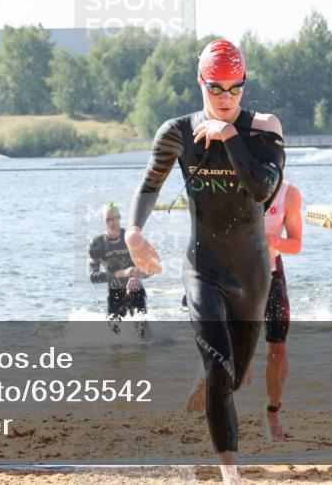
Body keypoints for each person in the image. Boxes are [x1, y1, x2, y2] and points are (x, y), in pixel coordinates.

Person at [126, 39, 285, 485]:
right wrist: (133, 231)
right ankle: (231, 473)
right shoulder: (177, 132)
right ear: (201, 83)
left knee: (233, 378)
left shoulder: (263, 128)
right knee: (220, 367)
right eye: (216, 88)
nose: (226, 97)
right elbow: (150, 184)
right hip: (203, 267)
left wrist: (228, 136)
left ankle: (208, 373)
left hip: (252, 273)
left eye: (235, 88)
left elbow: (263, 189)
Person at [261, 178, 302, 442]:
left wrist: (274, 240)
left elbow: (296, 243)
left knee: (278, 349)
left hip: (271, 271)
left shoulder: (289, 193)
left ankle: (272, 412)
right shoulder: (235, 183)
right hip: (236, 271)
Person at [88, 202, 149, 333]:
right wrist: (121, 273)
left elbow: (151, 268)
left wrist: (138, 275)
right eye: (108, 219)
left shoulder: (132, 238)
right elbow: (93, 277)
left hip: (136, 291)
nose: (112, 222)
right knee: (114, 337)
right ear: (103, 221)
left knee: (143, 336)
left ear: (120, 217)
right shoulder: (97, 243)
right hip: (114, 295)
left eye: (114, 218)